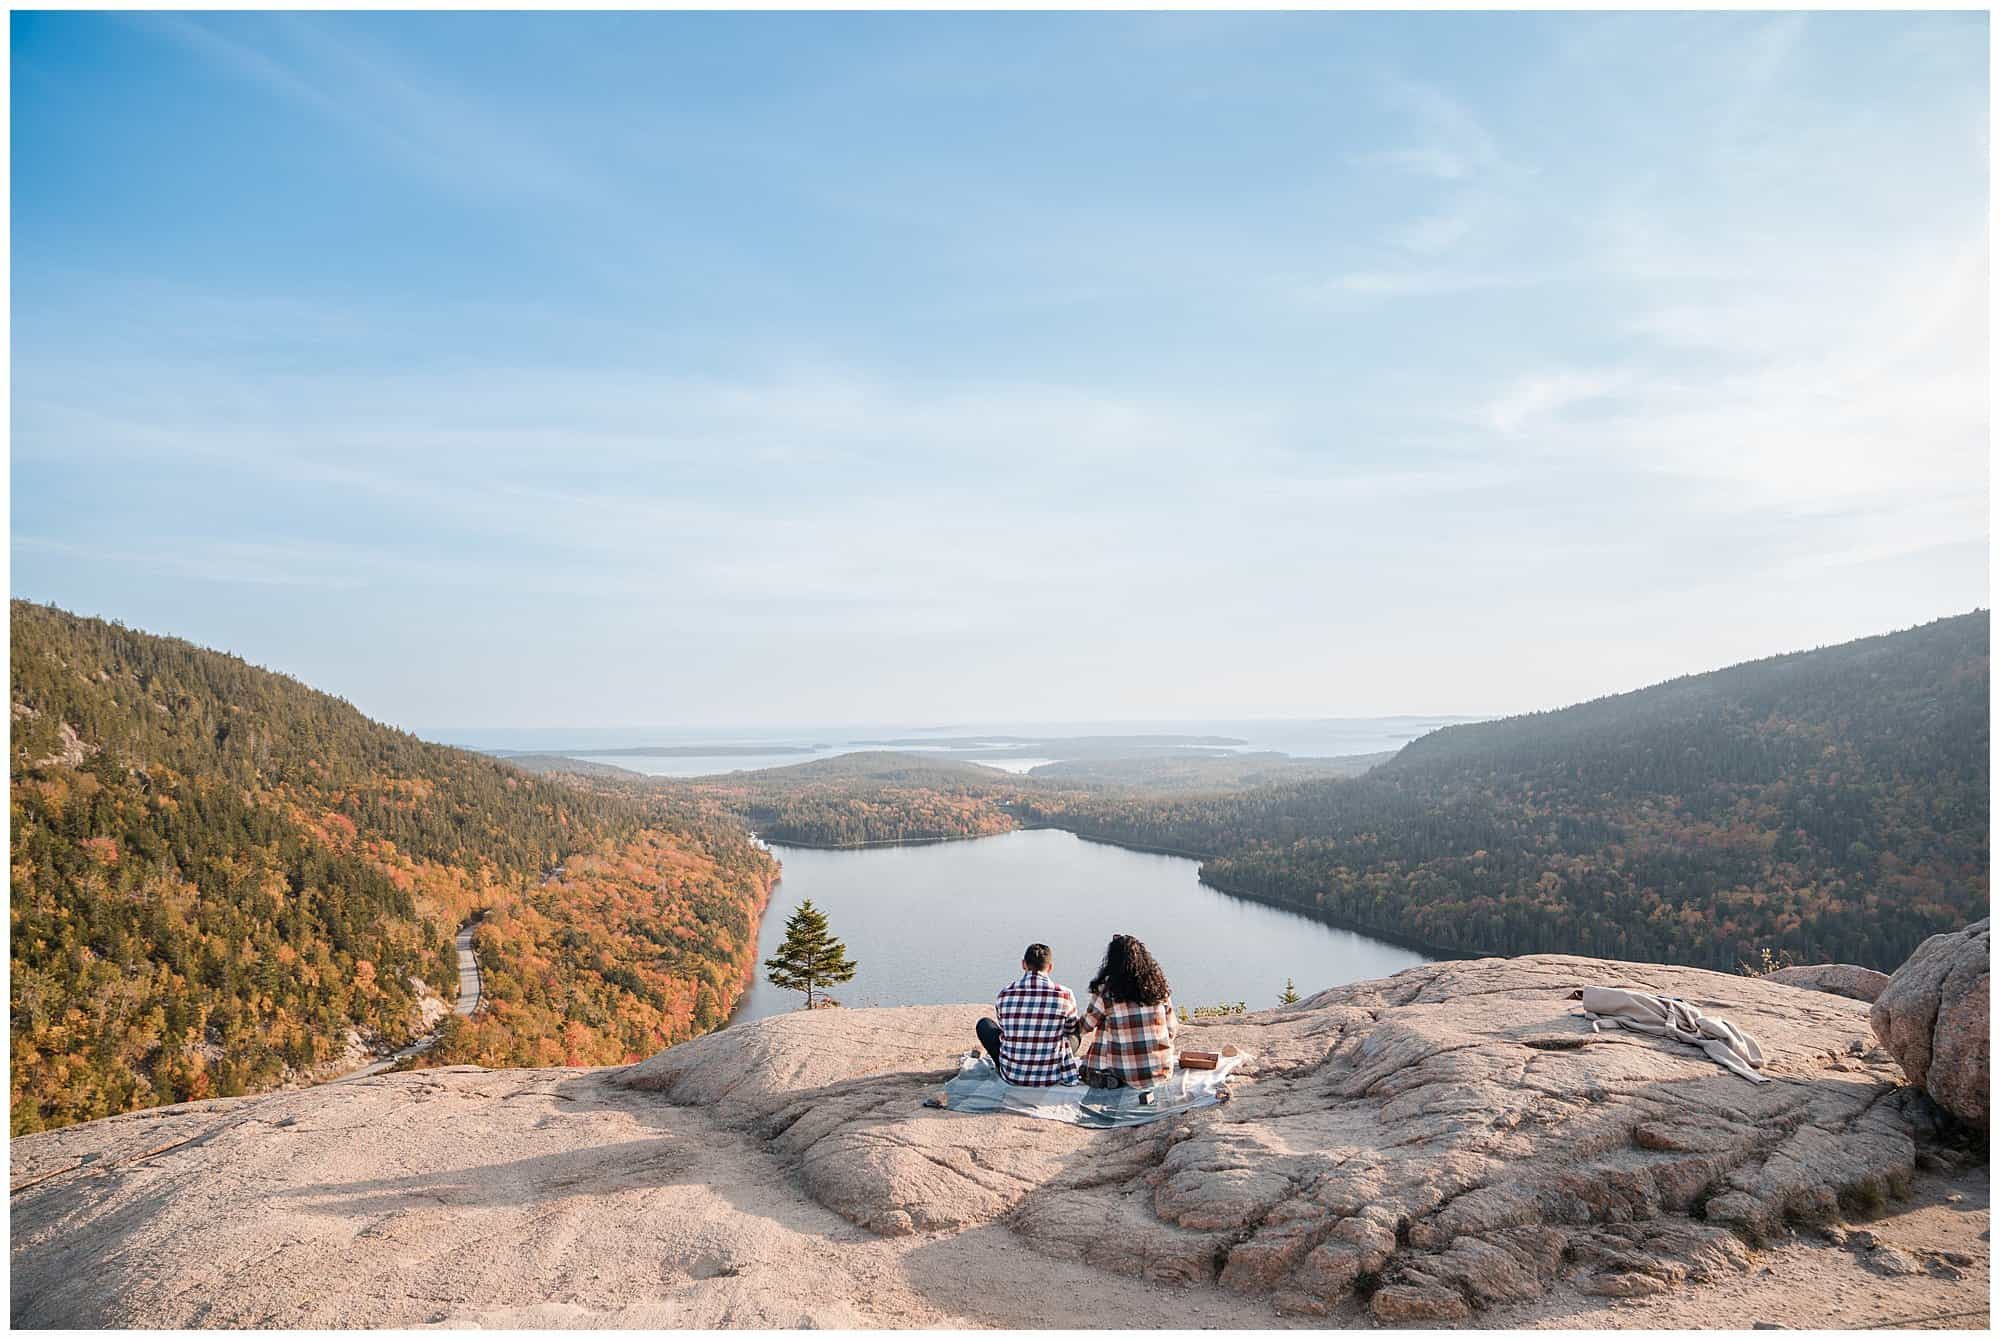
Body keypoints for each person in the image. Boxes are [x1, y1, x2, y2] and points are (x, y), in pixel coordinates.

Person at [1078, 933, 1178, 1088]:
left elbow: (1085, 1027)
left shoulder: (1107, 992)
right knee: (1112, 1022)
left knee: (1105, 1024)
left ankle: (1104, 1075)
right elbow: (1171, 1030)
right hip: (1161, 1072)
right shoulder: (1159, 989)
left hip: (1126, 1074)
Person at [977, 942, 1081, 1086]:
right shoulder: (1065, 995)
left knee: (984, 1024)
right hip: (1051, 1075)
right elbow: (1070, 1029)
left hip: (1013, 1075)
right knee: (1076, 1033)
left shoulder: (1005, 993)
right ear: (1050, 967)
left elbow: (1004, 1029)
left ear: (1023, 964)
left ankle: (1003, 1064)